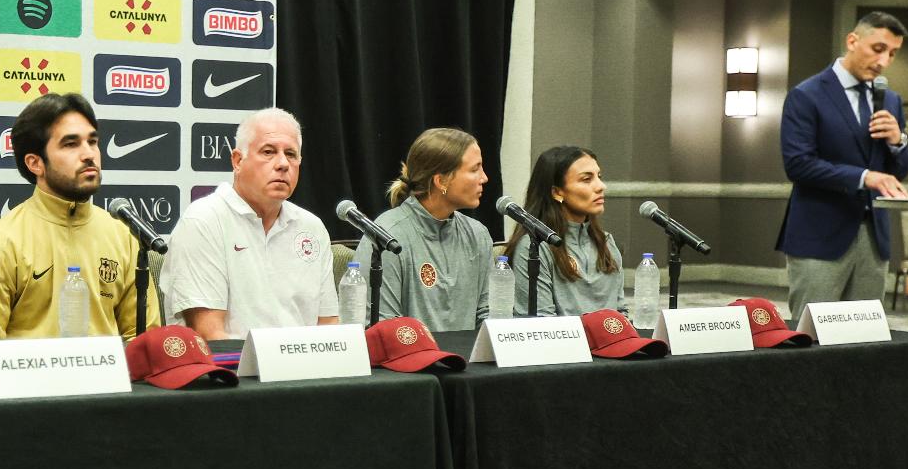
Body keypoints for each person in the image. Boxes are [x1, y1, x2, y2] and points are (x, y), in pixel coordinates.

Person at [0, 92, 159, 350]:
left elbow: (143, 339)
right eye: (70, 144)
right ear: (35, 163)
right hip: (31, 388)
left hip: (111, 387)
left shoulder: (124, 237)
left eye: (92, 141)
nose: (89, 154)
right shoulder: (0, 244)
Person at [776, 11, 908, 322]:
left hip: (873, 238)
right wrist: (864, 177)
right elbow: (798, 164)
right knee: (813, 336)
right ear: (852, 41)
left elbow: (898, 172)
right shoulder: (806, 95)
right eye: (878, 49)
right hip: (820, 235)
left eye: (892, 53)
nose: (884, 62)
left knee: (863, 340)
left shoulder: (890, 101)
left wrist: (898, 141)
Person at [158, 108, 339, 340]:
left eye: (291, 154)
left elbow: (329, 326)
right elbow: (209, 335)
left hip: (305, 370)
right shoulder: (203, 220)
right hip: (232, 372)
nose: (283, 163)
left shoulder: (312, 228)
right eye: (268, 152)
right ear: (237, 160)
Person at [351, 128, 494, 331]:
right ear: (441, 181)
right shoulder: (387, 236)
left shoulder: (478, 235)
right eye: (474, 169)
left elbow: (487, 315)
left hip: (470, 361)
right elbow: (382, 326)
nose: (484, 178)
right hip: (408, 360)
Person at [509, 145, 623, 316]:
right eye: (586, 179)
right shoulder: (534, 247)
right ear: (557, 192)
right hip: (561, 341)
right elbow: (541, 323)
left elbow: (621, 312)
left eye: (599, 177)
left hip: (612, 341)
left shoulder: (606, 242)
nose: (601, 186)